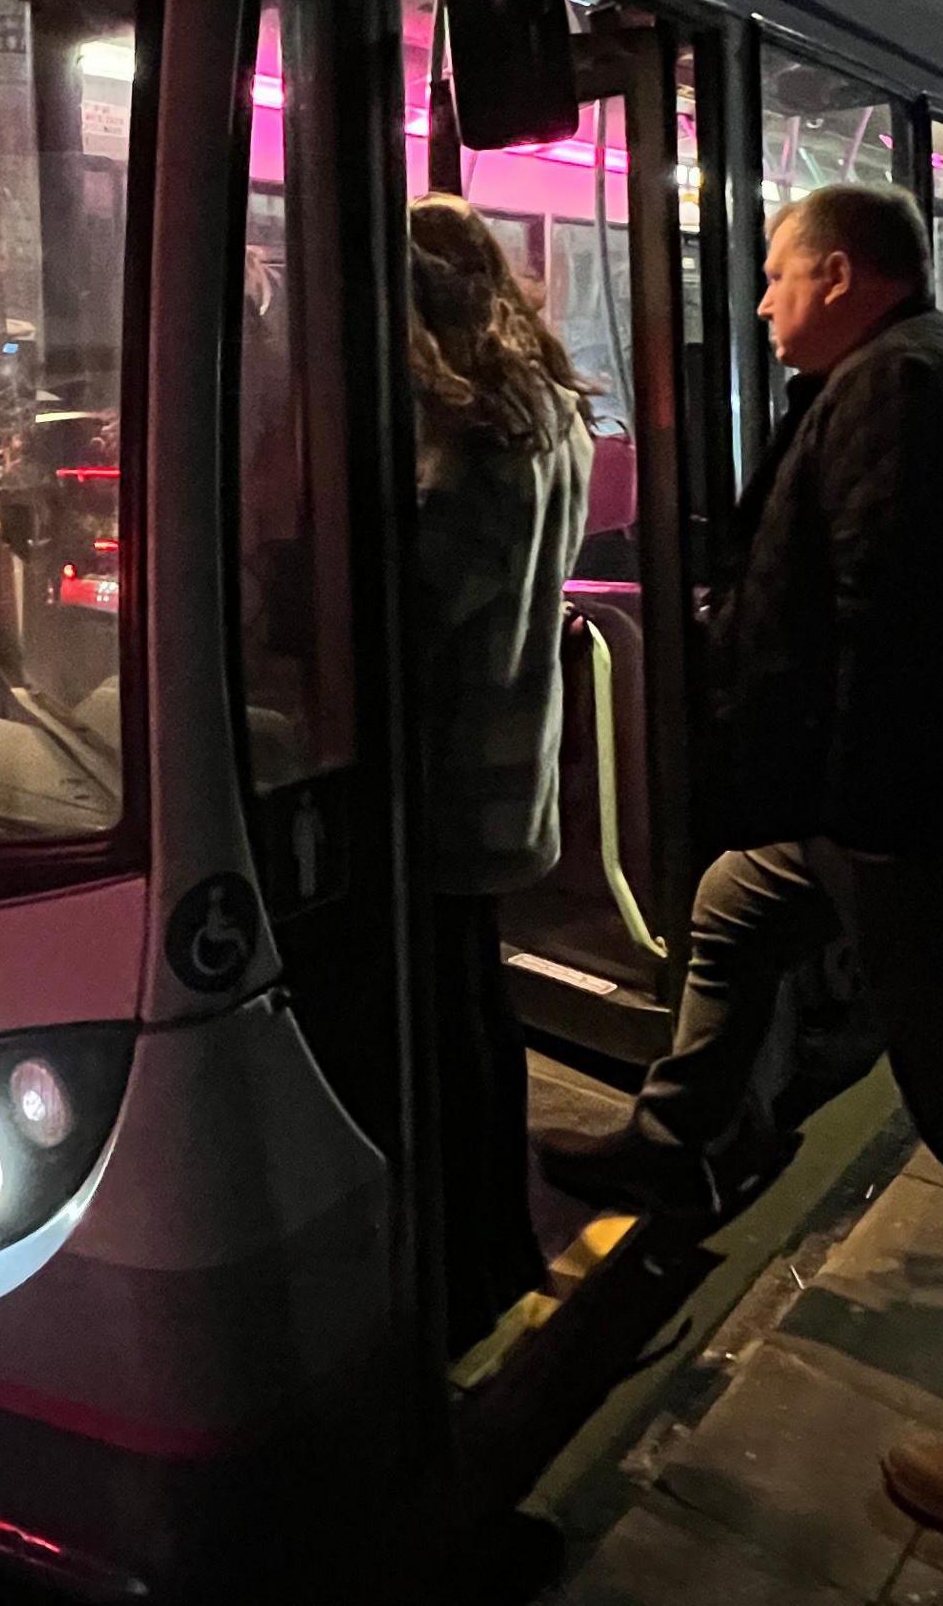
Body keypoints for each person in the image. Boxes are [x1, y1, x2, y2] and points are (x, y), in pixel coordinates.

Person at [535, 180, 943, 1544]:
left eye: (781, 279)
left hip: (921, 830)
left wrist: (850, 821)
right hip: (910, 815)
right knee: (735, 902)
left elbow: (883, 619)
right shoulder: (907, 373)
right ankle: (678, 1143)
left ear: (841, 274)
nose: (765, 304)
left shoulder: (899, 389)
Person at [402, 194, 597, 1350]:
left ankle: (476, 1249)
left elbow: (423, 608)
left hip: (454, 772)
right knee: (477, 999)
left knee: (455, 1023)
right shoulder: (552, 412)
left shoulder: (477, 443)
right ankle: (491, 1240)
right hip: (514, 754)